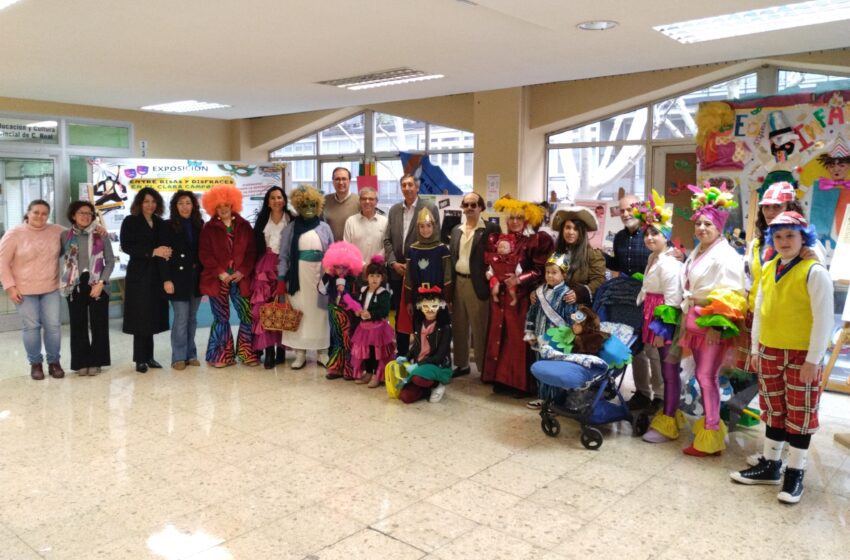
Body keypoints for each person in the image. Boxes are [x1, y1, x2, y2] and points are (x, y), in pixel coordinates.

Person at [730, 211, 833, 504]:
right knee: (773, 409)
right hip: (769, 350)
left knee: (800, 414)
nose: (784, 241)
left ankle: (795, 472)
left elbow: (824, 319)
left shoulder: (814, 271)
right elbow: (761, 312)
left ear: (804, 238)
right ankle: (771, 465)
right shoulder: (770, 266)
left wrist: (813, 359)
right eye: (778, 236)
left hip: (802, 355)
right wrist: (755, 349)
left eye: (790, 235)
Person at [678, 182, 746, 457]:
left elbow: (732, 292)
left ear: (719, 227)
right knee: (702, 375)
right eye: (699, 224)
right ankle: (710, 426)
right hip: (695, 322)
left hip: (712, 325)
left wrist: (717, 325)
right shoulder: (700, 250)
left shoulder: (726, 254)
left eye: (708, 224)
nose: (702, 228)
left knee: (707, 377)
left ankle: (711, 433)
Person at [482, 197, 553, 396]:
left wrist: (519, 279)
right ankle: (500, 377)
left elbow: (540, 270)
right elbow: (491, 265)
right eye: (511, 218)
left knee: (516, 339)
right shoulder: (499, 240)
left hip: (521, 298)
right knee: (500, 336)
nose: (514, 222)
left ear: (526, 219)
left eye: (519, 218)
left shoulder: (534, 241)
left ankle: (518, 382)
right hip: (500, 298)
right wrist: (493, 278)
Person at [629, 191, 685, 443]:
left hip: (664, 321)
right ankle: (669, 413)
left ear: (666, 235)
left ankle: (669, 418)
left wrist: (664, 331)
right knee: (664, 367)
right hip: (652, 315)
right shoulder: (654, 258)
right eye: (647, 233)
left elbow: (672, 300)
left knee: (669, 370)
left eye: (656, 233)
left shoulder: (669, 263)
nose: (650, 237)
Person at [0, 200, 68, 379]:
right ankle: (35, 363)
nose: (40, 216)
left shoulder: (57, 231)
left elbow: (78, 233)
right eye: (36, 212)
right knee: (31, 327)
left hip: (50, 287)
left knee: (53, 326)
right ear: (28, 213)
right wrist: (10, 287)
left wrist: (98, 228)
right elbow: (2, 263)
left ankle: (54, 362)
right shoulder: (14, 233)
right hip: (23, 290)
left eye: (44, 213)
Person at [199, 184, 258, 368]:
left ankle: (247, 353)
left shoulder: (244, 226)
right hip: (218, 280)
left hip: (241, 280)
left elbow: (252, 252)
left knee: (247, 315)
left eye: (226, 205)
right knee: (221, 317)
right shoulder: (209, 228)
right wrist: (220, 273)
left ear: (233, 205)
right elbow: (205, 254)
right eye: (219, 206)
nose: (223, 209)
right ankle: (221, 356)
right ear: (213, 208)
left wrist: (242, 271)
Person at [278, 185, 334, 369]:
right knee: (299, 313)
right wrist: (281, 279)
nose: (309, 208)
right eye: (304, 205)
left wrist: (330, 275)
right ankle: (300, 353)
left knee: (320, 314)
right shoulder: (291, 228)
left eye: (312, 205)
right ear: (298, 206)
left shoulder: (325, 228)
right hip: (298, 277)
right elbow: (284, 255)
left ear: (318, 206)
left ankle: (322, 353)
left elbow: (331, 253)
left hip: (320, 277)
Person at [383, 174, 440, 355]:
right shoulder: (394, 210)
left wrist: (413, 266)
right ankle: (401, 353)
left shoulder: (429, 208)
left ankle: (420, 353)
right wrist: (393, 263)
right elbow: (387, 240)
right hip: (397, 273)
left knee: (419, 313)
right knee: (400, 314)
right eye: (404, 185)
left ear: (417, 187)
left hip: (420, 274)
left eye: (410, 185)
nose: (407, 188)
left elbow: (434, 240)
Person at [120, 187, 172, 373]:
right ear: (140, 203)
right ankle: (140, 359)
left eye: (153, 201)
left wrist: (167, 251)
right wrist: (152, 252)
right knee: (140, 316)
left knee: (152, 315)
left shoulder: (160, 222)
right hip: (139, 274)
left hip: (157, 275)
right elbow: (126, 246)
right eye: (146, 201)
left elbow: (165, 246)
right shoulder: (130, 221)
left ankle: (149, 357)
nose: (150, 205)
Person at [60, 201, 115, 376]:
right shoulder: (65, 235)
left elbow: (110, 261)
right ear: (73, 215)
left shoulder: (101, 234)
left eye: (89, 213)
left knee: (99, 324)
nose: (85, 216)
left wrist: (101, 283)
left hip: (98, 282)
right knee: (78, 324)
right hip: (74, 284)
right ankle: (81, 362)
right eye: (81, 213)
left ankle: (97, 361)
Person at [449, 192, 499, 378]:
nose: (469, 208)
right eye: (466, 205)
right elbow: (452, 258)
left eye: (473, 205)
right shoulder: (456, 230)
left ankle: (484, 367)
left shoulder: (491, 229)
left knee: (480, 328)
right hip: (458, 282)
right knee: (459, 326)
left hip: (477, 284)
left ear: (481, 207)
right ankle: (461, 364)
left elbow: (496, 257)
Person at [251, 186, 294, 369]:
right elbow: (255, 245)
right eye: (273, 198)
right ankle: (269, 351)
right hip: (265, 266)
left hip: (286, 265)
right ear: (267, 202)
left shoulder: (292, 219)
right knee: (266, 309)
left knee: (283, 307)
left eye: (279, 197)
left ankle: (282, 350)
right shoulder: (262, 220)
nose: (277, 201)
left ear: (284, 200)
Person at [161, 190, 203, 371]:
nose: (185, 207)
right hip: (177, 278)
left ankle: (191, 354)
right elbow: (163, 256)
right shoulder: (167, 226)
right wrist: (166, 280)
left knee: (192, 318)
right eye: (181, 203)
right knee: (181, 318)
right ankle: (178, 356)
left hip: (196, 277)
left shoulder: (199, 224)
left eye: (188, 203)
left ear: (193, 205)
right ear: (175, 206)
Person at [398, 286, 453, 404]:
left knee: (417, 377)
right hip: (421, 367)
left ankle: (438, 384)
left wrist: (418, 365)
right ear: (420, 307)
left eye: (434, 306)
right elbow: (417, 345)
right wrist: (406, 357)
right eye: (426, 306)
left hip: (437, 366)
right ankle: (425, 389)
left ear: (440, 306)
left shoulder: (445, 328)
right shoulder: (419, 323)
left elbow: (439, 356)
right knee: (405, 396)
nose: (430, 309)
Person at [319, 241, 362, 380]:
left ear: (350, 267)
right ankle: (336, 367)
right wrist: (326, 275)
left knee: (347, 340)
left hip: (347, 313)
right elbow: (320, 290)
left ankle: (349, 369)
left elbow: (356, 299)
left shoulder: (352, 280)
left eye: (344, 268)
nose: (341, 271)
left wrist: (345, 292)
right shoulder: (331, 278)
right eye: (338, 267)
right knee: (336, 340)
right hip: (333, 311)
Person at [350, 256, 395, 388]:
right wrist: (357, 311)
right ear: (366, 277)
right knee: (367, 352)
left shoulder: (383, 293)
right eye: (372, 276)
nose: (374, 279)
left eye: (378, 276)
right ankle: (369, 372)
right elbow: (358, 304)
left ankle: (377, 374)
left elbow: (384, 310)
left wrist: (371, 314)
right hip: (364, 329)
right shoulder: (363, 290)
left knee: (377, 353)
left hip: (378, 329)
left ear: (382, 278)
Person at [404, 208, 451, 309]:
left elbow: (448, 277)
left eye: (428, 225)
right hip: (418, 296)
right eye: (422, 226)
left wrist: (448, 299)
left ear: (434, 226)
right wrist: (408, 301)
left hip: (438, 297)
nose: (425, 230)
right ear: (418, 228)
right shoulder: (412, 250)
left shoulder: (442, 249)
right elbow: (408, 277)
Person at [343, 187, 387, 268]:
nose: (367, 201)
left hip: (378, 269)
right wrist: (362, 265)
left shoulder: (385, 222)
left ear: (376, 202)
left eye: (371, 199)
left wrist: (373, 264)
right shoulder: (350, 221)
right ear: (360, 201)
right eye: (364, 199)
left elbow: (386, 247)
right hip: (356, 268)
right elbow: (347, 248)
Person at [323, 167, 361, 242]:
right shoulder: (325, 200)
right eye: (337, 179)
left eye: (344, 179)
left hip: (352, 246)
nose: (341, 182)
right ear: (333, 182)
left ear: (349, 181)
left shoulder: (359, 201)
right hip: (331, 246)